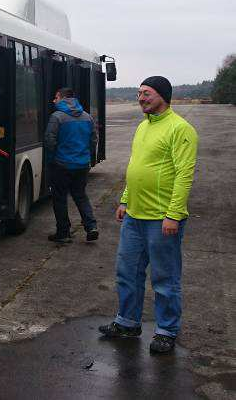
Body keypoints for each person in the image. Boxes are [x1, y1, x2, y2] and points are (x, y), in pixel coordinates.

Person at [99, 76, 198, 354]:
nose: (141, 98)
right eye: (139, 93)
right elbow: (136, 166)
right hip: (134, 216)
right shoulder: (143, 126)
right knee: (127, 272)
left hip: (161, 218)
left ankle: (166, 330)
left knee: (165, 278)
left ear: (163, 97)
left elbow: (184, 175)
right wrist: (125, 200)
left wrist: (174, 214)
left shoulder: (181, 129)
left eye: (147, 94)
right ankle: (128, 322)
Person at [44, 87, 99, 243]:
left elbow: (49, 141)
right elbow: (93, 140)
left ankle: (63, 233)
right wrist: (88, 158)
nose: (54, 100)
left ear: (62, 98)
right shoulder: (87, 117)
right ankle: (91, 226)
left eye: (55, 97)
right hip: (82, 165)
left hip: (61, 165)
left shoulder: (57, 117)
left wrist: (51, 159)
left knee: (60, 199)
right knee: (81, 196)